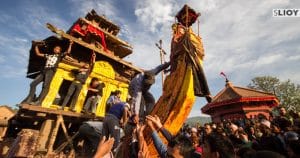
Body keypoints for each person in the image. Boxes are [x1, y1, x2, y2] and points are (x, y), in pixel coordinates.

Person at [22, 40, 73, 105]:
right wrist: (36, 46)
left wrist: (70, 44)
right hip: (44, 71)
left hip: (51, 71)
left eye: (57, 49)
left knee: (45, 86)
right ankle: (30, 99)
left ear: (59, 51)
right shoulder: (48, 55)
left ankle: (39, 102)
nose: (56, 49)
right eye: (55, 48)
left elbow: (68, 52)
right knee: (33, 84)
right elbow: (38, 53)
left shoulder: (60, 56)